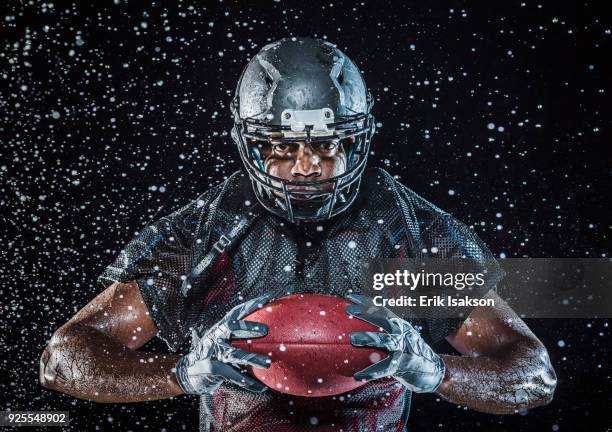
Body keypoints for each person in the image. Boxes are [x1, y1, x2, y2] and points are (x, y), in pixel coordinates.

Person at [40, 37, 556, 431]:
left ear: (358, 142)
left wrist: (436, 370)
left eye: (327, 144)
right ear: (250, 144)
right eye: (283, 147)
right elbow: (63, 360)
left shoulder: (410, 238)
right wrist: (180, 373)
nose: (307, 167)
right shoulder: (201, 239)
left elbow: (533, 375)